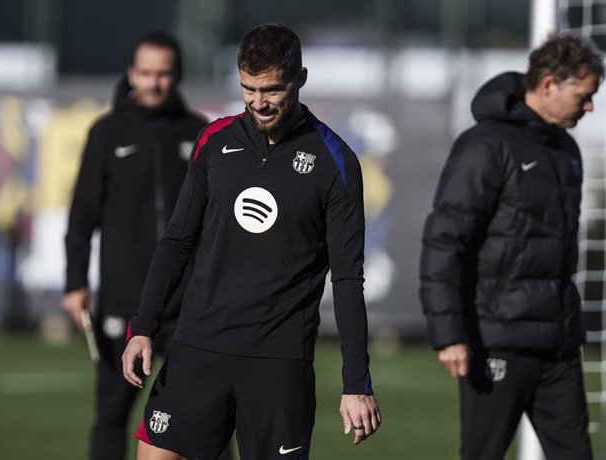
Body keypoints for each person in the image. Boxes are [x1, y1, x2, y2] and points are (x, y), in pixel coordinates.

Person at [122, 23, 382, 460]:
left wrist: (356, 382)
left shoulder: (335, 162)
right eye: (248, 88)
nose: (258, 103)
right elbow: (177, 241)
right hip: (199, 346)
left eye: (272, 90)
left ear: (300, 77)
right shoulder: (214, 141)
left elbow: (349, 278)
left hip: (277, 363)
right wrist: (143, 326)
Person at [419, 34, 604, 460]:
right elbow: (445, 243)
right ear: (547, 86)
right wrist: (450, 334)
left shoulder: (566, 151)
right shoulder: (484, 146)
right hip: (495, 341)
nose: (590, 106)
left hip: (558, 344)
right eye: (584, 95)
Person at [63, 32, 210, 460]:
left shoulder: (200, 134)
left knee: (207, 417)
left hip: (187, 304)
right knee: (111, 415)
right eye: (145, 73)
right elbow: (81, 217)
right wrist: (75, 284)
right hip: (123, 303)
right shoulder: (107, 133)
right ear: (131, 74)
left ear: (176, 75)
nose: (153, 82)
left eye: (162, 74)